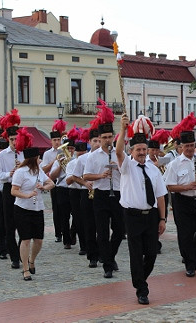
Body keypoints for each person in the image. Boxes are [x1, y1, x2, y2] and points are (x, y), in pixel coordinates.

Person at [116, 114, 167, 305]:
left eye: (144, 149)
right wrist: (122, 129)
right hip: (132, 215)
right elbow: (119, 150)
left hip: (151, 216)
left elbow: (160, 196)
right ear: (132, 150)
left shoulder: (153, 169)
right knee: (136, 253)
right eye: (138, 149)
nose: (142, 152)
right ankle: (141, 289)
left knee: (152, 253)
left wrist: (162, 219)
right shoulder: (127, 165)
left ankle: (140, 279)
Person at [165, 129, 196, 277]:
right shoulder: (175, 164)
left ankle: (192, 254)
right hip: (182, 201)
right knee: (185, 234)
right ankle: (190, 264)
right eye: (186, 146)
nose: (190, 149)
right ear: (181, 147)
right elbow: (169, 186)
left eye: (192, 145)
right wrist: (186, 186)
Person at [83, 100, 124, 279]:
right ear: (99, 139)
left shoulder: (120, 153)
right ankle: (107, 265)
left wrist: (119, 167)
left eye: (110, 137)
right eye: (104, 138)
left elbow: (128, 173)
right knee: (102, 231)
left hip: (118, 194)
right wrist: (100, 176)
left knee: (120, 229)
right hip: (100, 194)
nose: (107, 140)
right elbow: (86, 176)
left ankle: (110, 255)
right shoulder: (93, 156)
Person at [11, 129, 55, 280]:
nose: (40, 160)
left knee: (39, 240)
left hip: (37, 208)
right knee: (25, 239)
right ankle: (25, 269)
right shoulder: (20, 172)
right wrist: (27, 194)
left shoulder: (38, 171)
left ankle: (32, 260)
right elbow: (14, 191)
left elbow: (51, 183)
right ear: (32, 158)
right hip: (22, 208)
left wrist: (45, 187)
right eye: (38, 157)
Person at [0, 124, 24, 269]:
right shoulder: (2, 155)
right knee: (9, 224)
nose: (14, 142)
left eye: (16, 139)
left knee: (23, 224)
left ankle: (21, 252)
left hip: (23, 189)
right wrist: (9, 174)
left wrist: (22, 169)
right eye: (12, 139)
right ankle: (14, 257)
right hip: (9, 188)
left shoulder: (24, 153)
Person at [71, 128, 101, 268]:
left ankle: (103, 253)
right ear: (89, 142)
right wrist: (84, 182)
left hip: (102, 192)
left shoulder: (106, 156)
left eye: (100, 140)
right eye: (95, 141)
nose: (97, 143)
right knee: (89, 226)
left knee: (102, 226)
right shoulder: (83, 158)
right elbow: (75, 176)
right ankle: (92, 256)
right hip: (87, 193)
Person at [41, 120, 65, 243]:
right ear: (51, 141)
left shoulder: (64, 150)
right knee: (56, 208)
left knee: (65, 208)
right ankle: (58, 233)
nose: (57, 142)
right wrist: (54, 161)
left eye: (58, 140)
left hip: (65, 182)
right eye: (54, 140)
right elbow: (43, 169)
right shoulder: (47, 154)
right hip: (53, 182)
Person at [49, 138, 75, 249]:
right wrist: (60, 164)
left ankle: (73, 233)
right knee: (63, 216)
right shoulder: (58, 160)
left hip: (74, 189)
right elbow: (52, 176)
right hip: (62, 189)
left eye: (71, 148)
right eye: (67, 148)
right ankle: (67, 240)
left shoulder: (77, 159)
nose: (69, 150)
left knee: (77, 215)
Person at [66, 139, 89, 255]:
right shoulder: (71, 163)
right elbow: (68, 181)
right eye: (79, 153)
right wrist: (78, 176)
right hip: (75, 191)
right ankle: (83, 246)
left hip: (87, 191)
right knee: (78, 219)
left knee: (88, 219)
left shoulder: (89, 161)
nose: (81, 155)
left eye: (83, 153)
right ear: (75, 152)